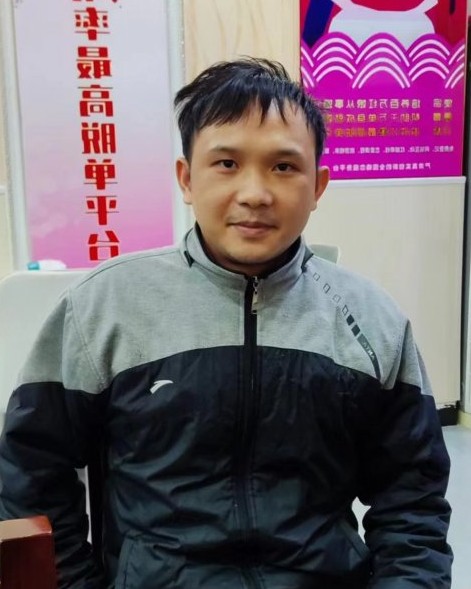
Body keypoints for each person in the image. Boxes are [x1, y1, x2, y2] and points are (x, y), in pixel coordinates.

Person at [0, 58, 452, 589]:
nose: (255, 193)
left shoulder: (372, 320)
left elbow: (413, 502)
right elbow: (31, 473)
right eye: (227, 163)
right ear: (187, 178)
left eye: (283, 167)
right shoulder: (104, 307)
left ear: (318, 186)